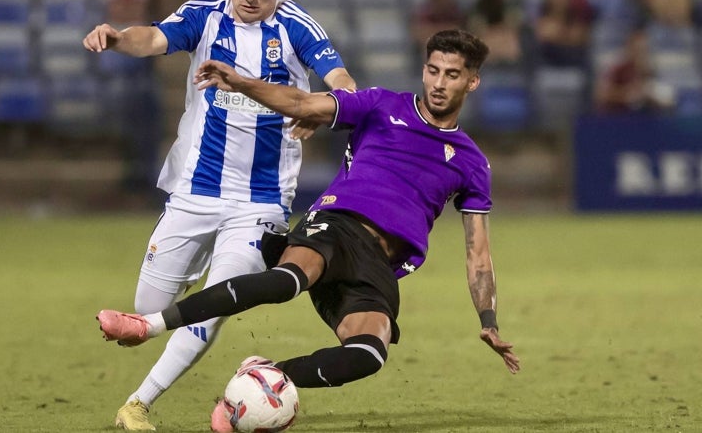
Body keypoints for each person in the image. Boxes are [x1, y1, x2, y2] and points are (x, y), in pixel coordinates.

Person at [96, 29, 520, 432]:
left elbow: (477, 252)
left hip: (379, 265)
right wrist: (242, 83)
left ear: (473, 81)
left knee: (370, 354)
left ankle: (263, 378)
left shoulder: (470, 162)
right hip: (335, 227)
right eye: (433, 70)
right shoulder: (379, 105)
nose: (439, 82)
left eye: (452, 74)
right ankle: (147, 325)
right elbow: (301, 102)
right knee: (287, 281)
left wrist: (488, 319)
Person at [83, 0, 356, 430]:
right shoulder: (205, 14)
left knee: (214, 302)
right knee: (149, 310)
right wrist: (118, 37)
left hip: (263, 200)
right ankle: (201, 284)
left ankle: (137, 405)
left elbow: (341, 81)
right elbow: (154, 38)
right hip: (196, 190)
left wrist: (328, 108)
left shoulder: (298, 27)